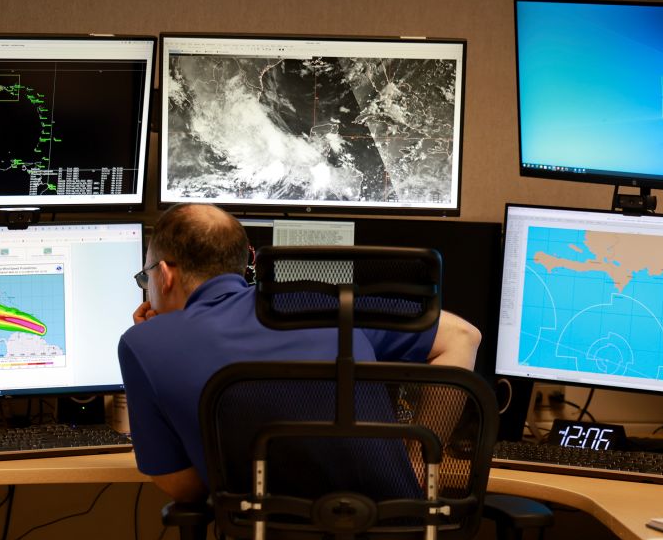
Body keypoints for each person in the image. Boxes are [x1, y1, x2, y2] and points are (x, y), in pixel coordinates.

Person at [117, 203, 481, 503]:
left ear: (164, 275)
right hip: (401, 530)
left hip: (267, 538)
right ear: (246, 262)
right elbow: (463, 337)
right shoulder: (324, 306)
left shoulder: (145, 343)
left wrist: (154, 345)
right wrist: (416, 463)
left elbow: (184, 488)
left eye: (145, 277)